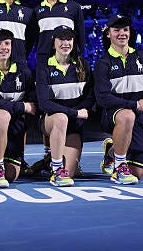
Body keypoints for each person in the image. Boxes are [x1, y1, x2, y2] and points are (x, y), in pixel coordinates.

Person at [30, 0, 85, 175]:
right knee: (48, 110)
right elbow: (34, 39)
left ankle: (72, 159)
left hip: (69, 64)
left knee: (73, 104)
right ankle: (48, 156)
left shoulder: (74, 7)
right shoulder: (38, 11)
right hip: (45, 65)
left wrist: (78, 62)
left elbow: (80, 37)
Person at [95, 14, 143, 185]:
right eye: (116, 30)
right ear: (108, 34)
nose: (122, 33)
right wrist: (133, 105)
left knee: (138, 173)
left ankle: (112, 151)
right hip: (113, 115)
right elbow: (103, 98)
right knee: (127, 115)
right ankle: (119, 167)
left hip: (138, 116)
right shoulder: (103, 63)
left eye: (125, 29)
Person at [0, 29, 37, 188]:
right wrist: (22, 107)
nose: (3, 47)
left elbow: (33, 104)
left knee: (11, 176)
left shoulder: (24, 71)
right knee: (3, 115)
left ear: (12, 46)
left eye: (7, 43)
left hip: (16, 126)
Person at [36, 25, 95, 186]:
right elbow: (44, 104)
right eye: (61, 39)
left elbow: (89, 98)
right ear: (53, 43)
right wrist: (74, 113)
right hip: (51, 122)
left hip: (74, 126)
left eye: (69, 39)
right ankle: (56, 170)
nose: (65, 43)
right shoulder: (44, 67)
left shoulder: (83, 65)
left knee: (70, 173)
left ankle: (51, 161)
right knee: (61, 119)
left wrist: (76, 115)